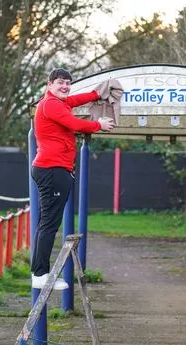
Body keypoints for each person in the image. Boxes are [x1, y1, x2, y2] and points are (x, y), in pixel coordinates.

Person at [31, 68, 115, 290]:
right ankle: (40, 275)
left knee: (47, 223)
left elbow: (75, 99)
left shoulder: (59, 102)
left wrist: (96, 94)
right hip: (52, 169)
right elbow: (74, 124)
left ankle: (40, 273)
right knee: (49, 224)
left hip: (54, 169)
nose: (65, 87)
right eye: (60, 82)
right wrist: (99, 125)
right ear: (49, 84)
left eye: (68, 83)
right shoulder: (50, 104)